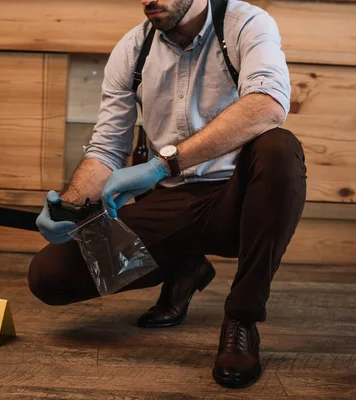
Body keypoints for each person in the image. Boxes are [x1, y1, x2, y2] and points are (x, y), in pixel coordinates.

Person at [29, 0, 307, 389]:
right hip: (169, 202)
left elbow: (267, 105)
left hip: (239, 202)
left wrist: (163, 163)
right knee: (50, 276)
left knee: (279, 147)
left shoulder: (245, 23)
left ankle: (242, 318)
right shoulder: (133, 48)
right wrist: (71, 205)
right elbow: (108, 147)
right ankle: (186, 266)